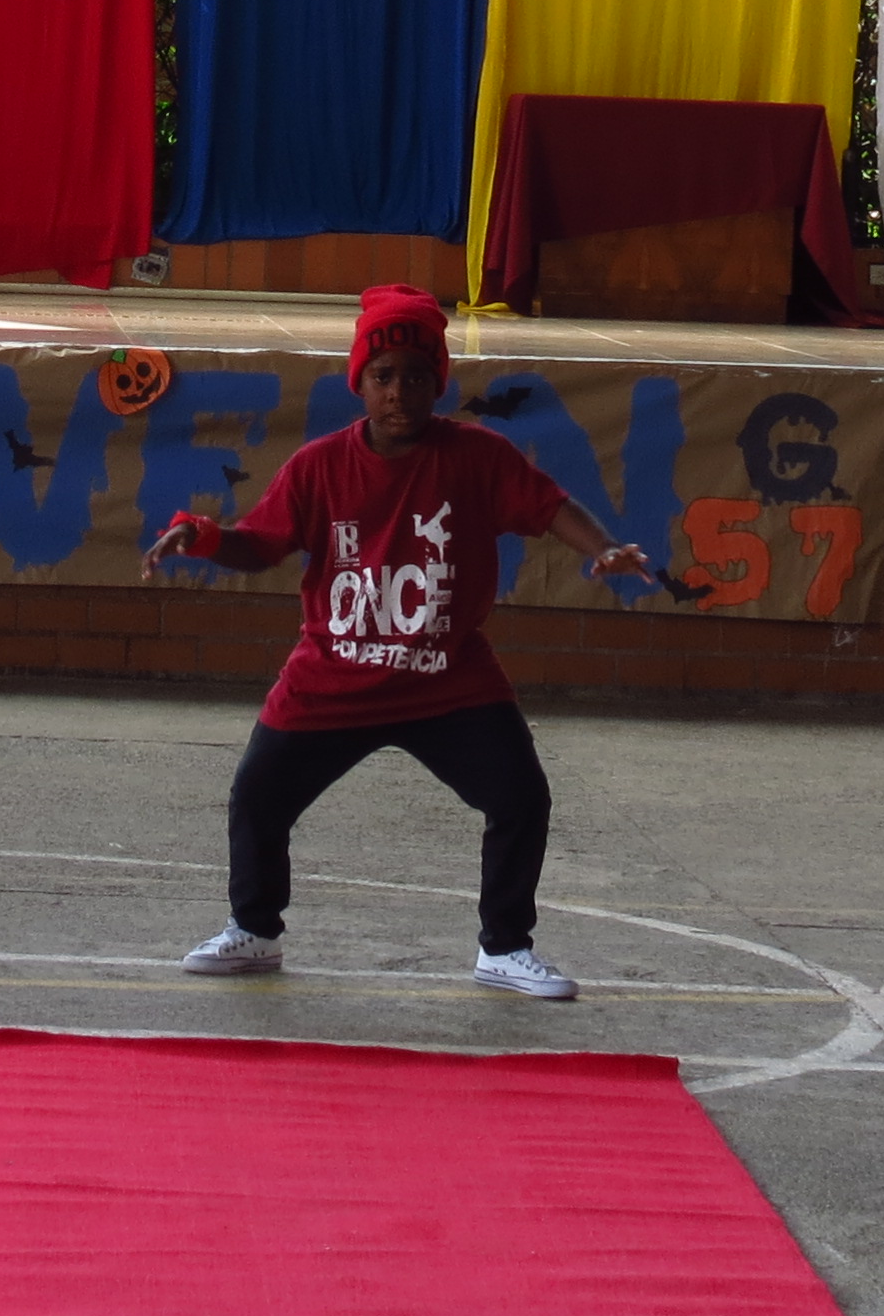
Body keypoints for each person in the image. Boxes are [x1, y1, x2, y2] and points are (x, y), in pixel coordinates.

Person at [148, 286, 655, 1002]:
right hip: (334, 676)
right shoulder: (319, 466)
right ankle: (254, 932)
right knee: (258, 796)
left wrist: (602, 548)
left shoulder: (476, 456)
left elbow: (549, 505)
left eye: (416, 377)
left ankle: (505, 948)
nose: (398, 392)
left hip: (447, 678)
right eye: (383, 376)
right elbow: (260, 545)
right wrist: (201, 536)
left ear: (437, 383)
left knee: (521, 798)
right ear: (359, 382)